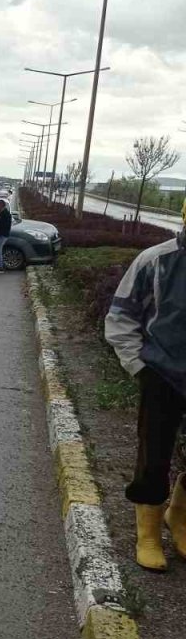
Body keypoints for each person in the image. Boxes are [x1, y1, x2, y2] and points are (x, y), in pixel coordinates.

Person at [104, 203, 186, 572]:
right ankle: (149, 533)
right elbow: (121, 316)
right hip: (162, 374)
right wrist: (140, 368)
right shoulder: (156, 261)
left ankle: (179, 517)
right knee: (155, 456)